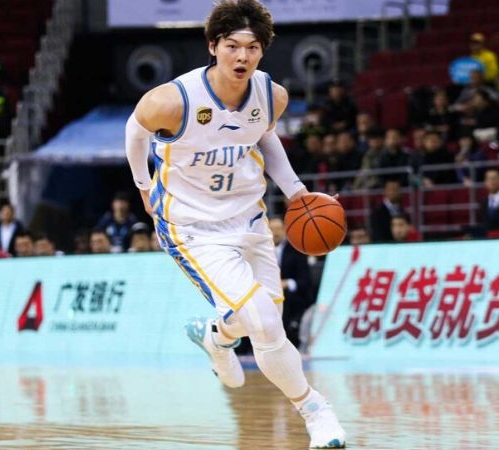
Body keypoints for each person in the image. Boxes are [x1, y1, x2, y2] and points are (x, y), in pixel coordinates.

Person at [123, 2, 345, 447]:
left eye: (252, 47)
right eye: (232, 46)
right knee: (263, 322)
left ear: (262, 51)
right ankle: (316, 411)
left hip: (249, 217)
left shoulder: (271, 96)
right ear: (213, 46)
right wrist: (143, 185)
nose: (242, 56)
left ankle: (216, 335)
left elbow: (264, 136)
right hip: (193, 227)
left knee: (264, 320)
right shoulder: (173, 100)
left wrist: (297, 191)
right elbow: (135, 129)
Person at [269, 217, 314, 350]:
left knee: (284, 300)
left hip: (293, 295)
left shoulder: (296, 250)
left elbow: (305, 280)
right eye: (271, 229)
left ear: (285, 230)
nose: (275, 233)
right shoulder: (260, 250)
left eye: (278, 229)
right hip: (267, 293)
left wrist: (287, 283)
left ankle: (286, 345)